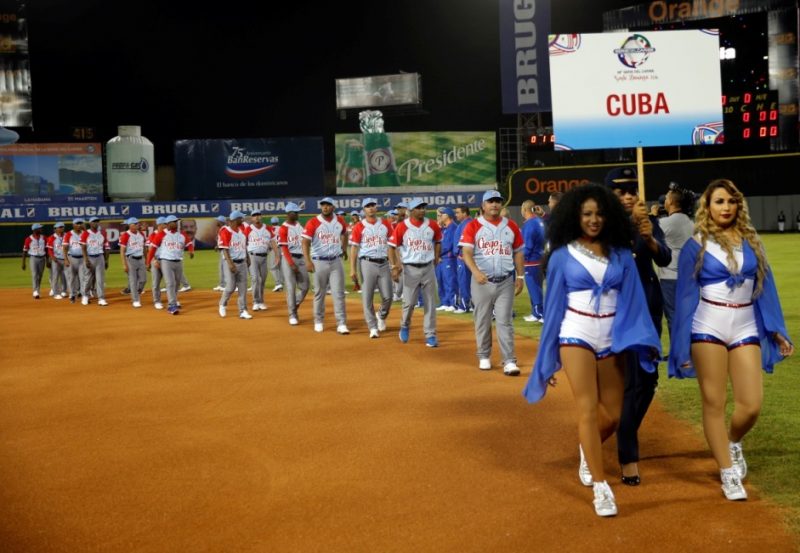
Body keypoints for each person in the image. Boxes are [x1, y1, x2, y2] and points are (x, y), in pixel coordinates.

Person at [523, 184, 661, 517]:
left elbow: (635, 302)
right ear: (575, 216)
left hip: (613, 336)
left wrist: (644, 340)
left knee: (612, 415)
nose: (594, 220)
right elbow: (554, 307)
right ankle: (601, 487)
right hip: (576, 332)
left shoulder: (620, 254)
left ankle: (588, 450)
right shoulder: (560, 256)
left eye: (599, 213)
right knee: (586, 407)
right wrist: (549, 356)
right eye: (586, 214)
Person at [668, 178, 794, 501]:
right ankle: (727, 473)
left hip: (745, 325)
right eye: (719, 201)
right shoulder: (696, 244)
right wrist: (681, 343)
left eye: (731, 201)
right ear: (707, 207)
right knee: (714, 403)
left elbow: (765, 288)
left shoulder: (752, 242)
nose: (726, 207)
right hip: (707, 324)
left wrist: (777, 330)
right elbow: (684, 298)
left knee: (751, 405)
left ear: (739, 205)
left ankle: (733, 442)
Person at [605, 166, 671, 487]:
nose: (629, 196)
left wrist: (649, 238)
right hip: (621, 312)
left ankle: (622, 428)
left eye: (633, 190)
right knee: (631, 382)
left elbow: (665, 259)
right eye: (622, 191)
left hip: (649, 306)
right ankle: (628, 458)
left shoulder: (649, 222)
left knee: (648, 381)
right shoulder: (601, 227)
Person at [460, 190, 525, 374]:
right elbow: (466, 253)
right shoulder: (473, 226)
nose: (494, 204)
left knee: (505, 321)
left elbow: (519, 252)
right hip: (482, 281)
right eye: (491, 201)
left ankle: (509, 361)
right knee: (482, 320)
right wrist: (476, 272)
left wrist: (520, 276)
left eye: (498, 201)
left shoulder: (511, 226)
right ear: (483, 205)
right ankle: (484, 355)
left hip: (505, 280)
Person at [388, 197, 442, 347]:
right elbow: (391, 246)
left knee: (430, 303)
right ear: (411, 210)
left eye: (424, 207)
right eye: (418, 207)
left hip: (428, 268)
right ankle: (404, 325)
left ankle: (430, 334)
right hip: (410, 268)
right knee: (409, 302)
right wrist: (394, 266)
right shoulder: (402, 226)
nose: (422, 210)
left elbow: (438, 241)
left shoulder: (432, 225)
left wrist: (437, 256)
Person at [303, 197, 349, 334]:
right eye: (323, 205)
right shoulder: (313, 222)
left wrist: (344, 248)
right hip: (319, 261)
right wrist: (307, 261)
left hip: (335, 261)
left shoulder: (340, 220)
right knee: (319, 293)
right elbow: (305, 242)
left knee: (339, 293)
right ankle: (318, 320)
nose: (325, 207)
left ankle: (341, 323)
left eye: (328, 205)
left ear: (333, 207)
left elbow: (345, 233)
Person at [349, 197, 394, 338]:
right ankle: (372, 327)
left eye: (372, 205)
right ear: (364, 210)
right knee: (367, 297)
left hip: (384, 263)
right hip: (367, 262)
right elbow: (354, 249)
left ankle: (381, 315)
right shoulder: (359, 226)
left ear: (376, 207)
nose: (370, 208)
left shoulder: (386, 224)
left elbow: (392, 246)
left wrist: (395, 264)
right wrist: (352, 269)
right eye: (367, 206)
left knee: (388, 296)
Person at [659, 182, 696, 334]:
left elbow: (648, 233)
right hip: (689, 276)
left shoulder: (667, 222)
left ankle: (678, 353)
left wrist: (653, 215)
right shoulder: (690, 222)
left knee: (673, 315)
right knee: (688, 316)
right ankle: (688, 352)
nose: (665, 201)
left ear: (672, 202)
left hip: (671, 277)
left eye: (667, 198)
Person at [146, 215, 192, 315]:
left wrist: (191, 251)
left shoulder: (181, 234)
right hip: (164, 260)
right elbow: (152, 249)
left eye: (177, 221)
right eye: (174, 221)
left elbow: (189, 243)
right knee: (167, 283)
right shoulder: (159, 234)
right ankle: (169, 304)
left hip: (178, 261)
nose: (176, 223)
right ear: (167, 224)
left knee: (176, 283)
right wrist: (149, 261)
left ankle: (173, 300)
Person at [278, 202, 310, 326]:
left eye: (298, 212)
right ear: (289, 213)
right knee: (291, 287)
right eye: (295, 212)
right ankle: (292, 314)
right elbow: (284, 248)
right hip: (288, 258)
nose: (298, 214)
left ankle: (294, 303)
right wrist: (291, 264)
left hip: (301, 258)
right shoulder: (283, 228)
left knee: (305, 286)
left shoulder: (299, 226)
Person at [216, 211, 252, 319]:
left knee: (243, 288)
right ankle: (222, 304)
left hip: (242, 262)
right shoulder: (225, 231)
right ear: (236, 220)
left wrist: (248, 258)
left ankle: (243, 310)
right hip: (231, 262)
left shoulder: (242, 230)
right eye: (241, 218)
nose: (243, 220)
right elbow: (225, 250)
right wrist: (230, 264)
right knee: (231, 286)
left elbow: (243, 246)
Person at [245, 209, 279, 312]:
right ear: (252, 218)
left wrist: (277, 255)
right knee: (255, 279)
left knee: (263, 280)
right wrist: (245, 257)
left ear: (261, 216)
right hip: (252, 256)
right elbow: (243, 242)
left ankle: (261, 301)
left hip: (264, 257)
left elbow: (273, 242)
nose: (257, 217)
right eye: (254, 216)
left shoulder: (268, 228)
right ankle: (256, 301)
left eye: (258, 215)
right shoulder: (248, 229)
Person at [520, 199, 546, 323]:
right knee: (537, 287)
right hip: (540, 259)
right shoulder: (540, 221)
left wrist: (520, 258)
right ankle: (536, 312)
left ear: (525, 209)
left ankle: (540, 313)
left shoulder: (529, 224)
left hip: (532, 261)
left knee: (534, 288)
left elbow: (527, 246)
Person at [80, 216, 110, 306]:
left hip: (100, 257)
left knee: (100, 279)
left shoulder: (103, 233)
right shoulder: (86, 233)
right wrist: (85, 259)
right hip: (89, 257)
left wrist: (106, 260)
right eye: (94, 221)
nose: (96, 223)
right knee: (88, 278)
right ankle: (85, 296)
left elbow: (106, 247)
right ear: (90, 223)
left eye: (97, 221)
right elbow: (83, 247)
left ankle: (101, 298)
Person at [119, 217, 147, 308]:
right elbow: (122, 251)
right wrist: (124, 264)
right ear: (130, 225)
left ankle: (136, 293)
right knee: (133, 281)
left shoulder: (142, 234)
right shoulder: (125, 235)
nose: (137, 225)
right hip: (131, 259)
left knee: (143, 280)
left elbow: (145, 248)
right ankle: (135, 300)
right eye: (135, 224)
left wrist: (147, 260)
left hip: (141, 258)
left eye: (137, 223)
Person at [435, 206, 458, 312]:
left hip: (449, 258)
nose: (440, 217)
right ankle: (444, 302)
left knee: (450, 281)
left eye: (442, 214)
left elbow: (448, 245)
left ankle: (452, 303)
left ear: (447, 215)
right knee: (441, 281)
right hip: (441, 258)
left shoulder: (453, 227)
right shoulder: (444, 229)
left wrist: (437, 254)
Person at [452, 204, 474, 313]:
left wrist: (457, 253)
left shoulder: (466, 224)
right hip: (469, 258)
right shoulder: (469, 223)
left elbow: (461, 244)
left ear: (465, 213)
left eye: (458, 212)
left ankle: (464, 306)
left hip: (463, 257)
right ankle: (473, 305)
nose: (456, 215)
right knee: (472, 283)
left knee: (464, 282)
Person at [62, 218, 86, 304]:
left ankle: (84, 295)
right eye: (77, 223)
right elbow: (64, 248)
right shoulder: (68, 234)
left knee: (83, 278)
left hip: (82, 259)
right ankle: (72, 295)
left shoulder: (85, 234)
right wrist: (65, 259)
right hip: (72, 258)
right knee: (71, 278)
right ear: (73, 225)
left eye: (80, 223)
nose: (79, 225)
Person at [22, 223, 47, 299]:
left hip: (42, 258)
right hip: (33, 258)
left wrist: (48, 260)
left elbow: (46, 249)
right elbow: (25, 251)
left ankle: (37, 290)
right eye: (39, 228)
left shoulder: (44, 238)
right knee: (35, 275)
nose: (41, 229)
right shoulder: (28, 239)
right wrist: (23, 262)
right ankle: (35, 291)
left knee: (40, 276)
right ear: (35, 230)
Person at [47, 222, 67, 299]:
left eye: (63, 227)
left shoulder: (67, 236)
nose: (62, 228)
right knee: (55, 276)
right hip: (56, 259)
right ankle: (56, 293)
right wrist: (52, 257)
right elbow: (49, 249)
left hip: (65, 259)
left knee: (65, 276)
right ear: (55, 229)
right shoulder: (52, 238)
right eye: (60, 227)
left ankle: (64, 291)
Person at [268, 216, 284, 292]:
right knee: (281, 267)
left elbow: (269, 240)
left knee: (273, 267)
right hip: (283, 248)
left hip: (275, 249)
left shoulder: (270, 229)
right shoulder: (282, 228)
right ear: (278, 222)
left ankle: (278, 284)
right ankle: (281, 283)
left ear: (271, 222)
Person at [212, 215, 228, 291]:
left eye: (217, 220)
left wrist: (218, 247)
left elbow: (225, 242)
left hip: (226, 253)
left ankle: (228, 285)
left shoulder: (224, 230)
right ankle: (222, 285)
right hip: (222, 252)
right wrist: (218, 246)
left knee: (226, 270)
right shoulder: (221, 229)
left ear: (221, 222)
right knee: (221, 269)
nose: (216, 222)